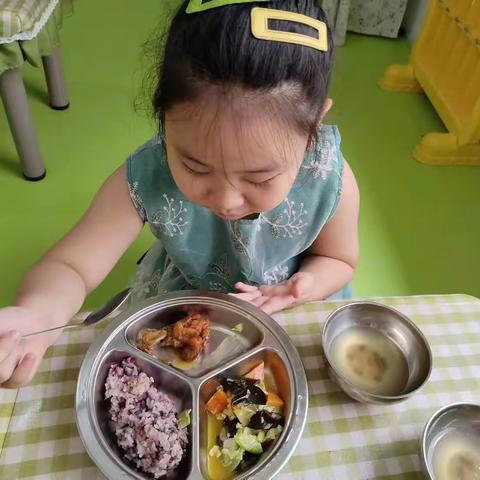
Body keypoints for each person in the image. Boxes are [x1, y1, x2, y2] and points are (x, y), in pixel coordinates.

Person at [0, 0, 359, 388]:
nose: (226, 200)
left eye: (258, 178)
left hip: (285, 305)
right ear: (164, 117)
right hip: (184, 299)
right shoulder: (148, 173)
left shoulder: (326, 174)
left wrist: (304, 285)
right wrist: (37, 314)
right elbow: (71, 266)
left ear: (313, 129)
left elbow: (338, 258)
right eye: (195, 167)